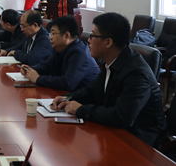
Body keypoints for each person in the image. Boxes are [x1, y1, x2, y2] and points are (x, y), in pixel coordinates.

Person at [52, 12, 166, 147]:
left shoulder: (136, 73)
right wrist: (68, 98)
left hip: (139, 143)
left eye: (93, 35)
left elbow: (122, 117)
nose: (88, 39)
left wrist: (81, 109)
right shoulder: (111, 62)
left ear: (108, 42)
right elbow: (91, 91)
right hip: (114, 132)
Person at [20, 15, 99, 91]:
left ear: (66, 35)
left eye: (53, 34)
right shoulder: (60, 48)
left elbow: (68, 83)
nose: (50, 37)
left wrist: (38, 79)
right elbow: (47, 66)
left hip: (84, 100)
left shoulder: (79, 53)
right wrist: (30, 70)